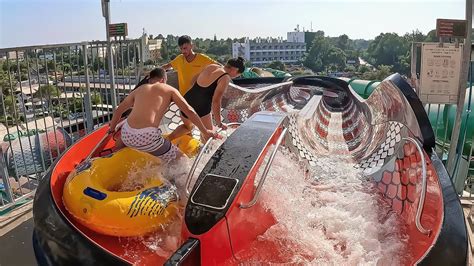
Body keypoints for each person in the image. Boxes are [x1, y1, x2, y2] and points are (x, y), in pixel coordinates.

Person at [108, 68, 217, 162]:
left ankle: (116, 152)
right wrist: (205, 131)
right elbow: (189, 111)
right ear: (163, 80)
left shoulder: (140, 89)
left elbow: (118, 111)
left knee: (127, 128)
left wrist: (112, 129)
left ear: (150, 80)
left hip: (127, 134)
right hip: (147, 138)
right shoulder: (169, 89)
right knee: (183, 161)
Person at [167, 57, 245, 142]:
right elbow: (216, 101)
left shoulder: (212, 66)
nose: (236, 77)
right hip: (201, 106)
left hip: (187, 99)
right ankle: (204, 152)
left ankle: (165, 141)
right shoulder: (225, 77)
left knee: (188, 127)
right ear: (235, 70)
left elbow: (193, 81)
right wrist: (219, 122)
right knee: (208, 135)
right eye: (238, 75)